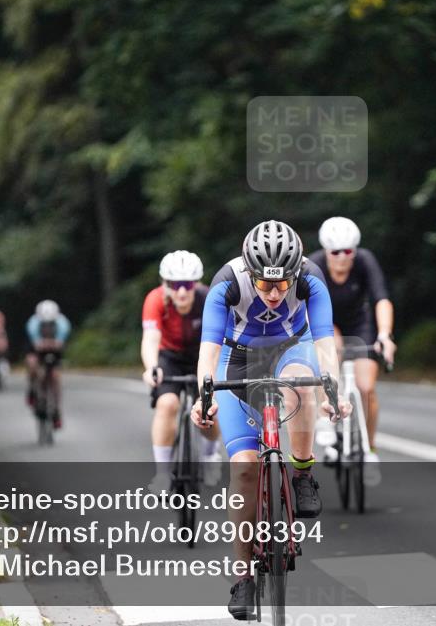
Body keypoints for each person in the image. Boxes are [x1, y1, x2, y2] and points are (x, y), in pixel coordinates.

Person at [190, 219, 349, 620]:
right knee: (243, 468)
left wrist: (336, 390)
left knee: (302, 381)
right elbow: (208, 350)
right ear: (250, 272)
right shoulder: (227, 281)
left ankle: (302, 473)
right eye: (265, 285)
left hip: (293, 349)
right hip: (238, 357)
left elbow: (325, 340)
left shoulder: (311, 279)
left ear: (295, 272)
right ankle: (242, 577)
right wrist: (204, 393)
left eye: (283, 284)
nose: (275, 293)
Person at [308, 217, 397, 482]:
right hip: (326, 320)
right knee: (327, 354)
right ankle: (325, 418)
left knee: (366, 387)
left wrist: (384, 335)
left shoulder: (365, 261)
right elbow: (307, 307)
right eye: (336, 252)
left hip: (360, 323)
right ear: (326, 251)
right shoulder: (314, 266)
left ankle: (369, 449)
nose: (342, 258)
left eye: (348, 251)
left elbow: (381, 299)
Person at [141, 250, 223, 493]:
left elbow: (220, 341)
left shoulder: (209, 299)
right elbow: (150, 339)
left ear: (196, 283)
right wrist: (151, 368)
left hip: (202, 355)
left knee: (208, 405)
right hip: (170, 357)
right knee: (167, 404)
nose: (182, 292)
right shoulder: (155, 300)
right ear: (164, 284)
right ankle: (163, 473)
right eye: (174, 285)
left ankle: (210, 454)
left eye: (187, 284)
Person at [25, 300, 71, 428]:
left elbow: (60, 343)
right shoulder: (32, 324)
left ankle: (56, 410)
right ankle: (32, 390)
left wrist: (52, 344)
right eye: (44, 323)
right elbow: (35, 344)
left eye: (50, 323)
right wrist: (43, 344)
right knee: (32, 365)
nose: (47, 325)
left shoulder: (63, 324)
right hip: (37, 348)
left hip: (54, 349)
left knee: (55, 377)